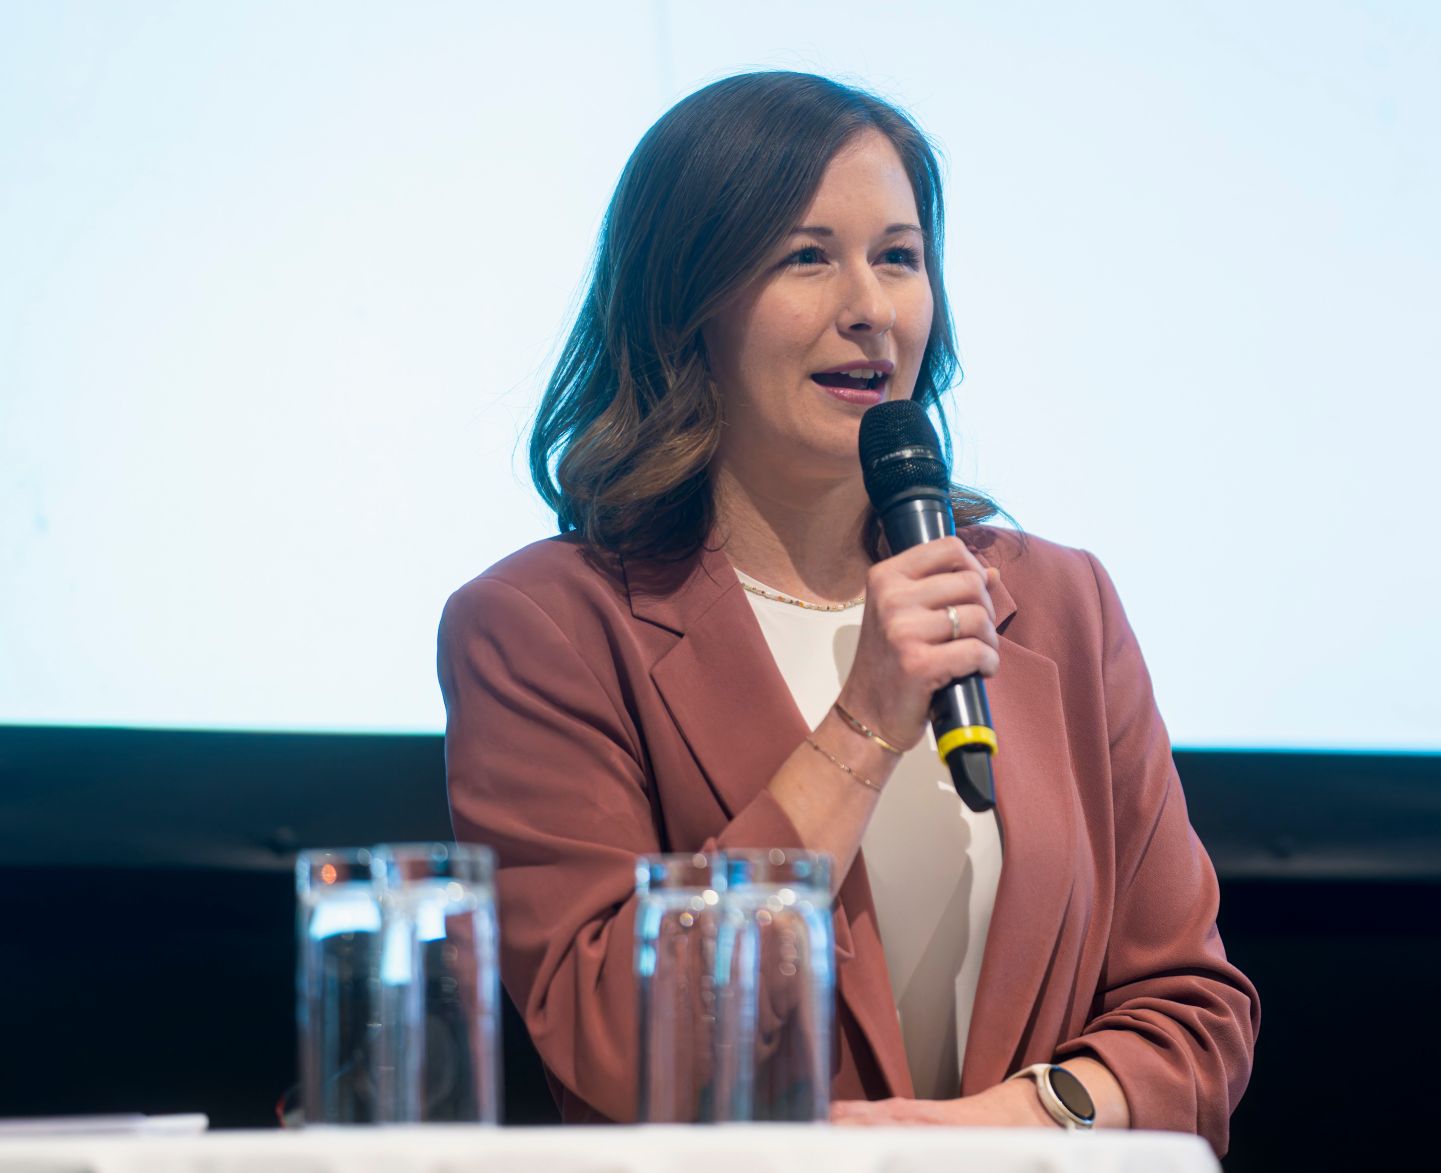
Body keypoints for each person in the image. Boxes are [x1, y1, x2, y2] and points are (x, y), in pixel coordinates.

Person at [437, 71, 1259, 1151]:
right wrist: (864, 723)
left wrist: (1007, 1127)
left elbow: (1191, 1018)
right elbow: (616, 1043)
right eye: (807, 257)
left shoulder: (1062, 603)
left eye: (899, 257)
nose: (871, 308)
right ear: (688, 303)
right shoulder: (543, 627)